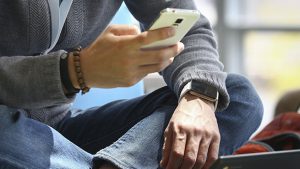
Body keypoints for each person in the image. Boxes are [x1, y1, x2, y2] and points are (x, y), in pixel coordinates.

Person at [0, 0, 263, 169]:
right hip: (7, 131)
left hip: (61, 130)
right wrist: (73, 71)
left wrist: (197, 98)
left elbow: (187, 26)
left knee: (237, 97)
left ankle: (117, 165)